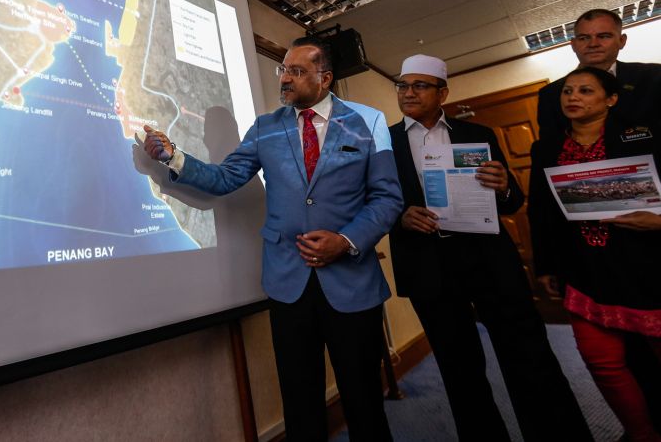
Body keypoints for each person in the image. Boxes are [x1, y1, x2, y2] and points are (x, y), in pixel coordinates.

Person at [140, 36, 402, 441]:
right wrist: (172, 156)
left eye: (297, 71)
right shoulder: (265, 128)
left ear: (325, 77)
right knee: (300, 401)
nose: (285, 79)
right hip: (288, 285)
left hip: (352, 283)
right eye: (283, 70)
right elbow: (225, 177)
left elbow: (387, 198)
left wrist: (346, 241)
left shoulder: (368, 122)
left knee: (363, 398)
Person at [387, 54, 592, 441]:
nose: (408, 93)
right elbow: (372, 203)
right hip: (428, 266)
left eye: (419, 85)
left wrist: (505, 186)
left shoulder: (476, 134)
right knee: (459, 368)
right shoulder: (381, 145)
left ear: (442, 92)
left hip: (489, 260)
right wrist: (399, 216)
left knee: (529, 356)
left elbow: (512, 201)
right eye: (402, 85)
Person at [530, 66, 661, 442]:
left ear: (611, 99)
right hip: (585, 269)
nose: (573, 97)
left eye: (586, 91)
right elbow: (541, 212)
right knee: (602, 364)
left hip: (648, 266)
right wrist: (546, 266)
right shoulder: (546, 149)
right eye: (568, 91)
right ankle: (641, 434)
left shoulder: (646, 136)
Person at [537, 8, 661, 136]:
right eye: (584, 38)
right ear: (573, 45)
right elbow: (549, 147)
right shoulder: (551, 93)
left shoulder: (654, 77)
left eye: (604, 36)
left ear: (622, 41)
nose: (593, 44)